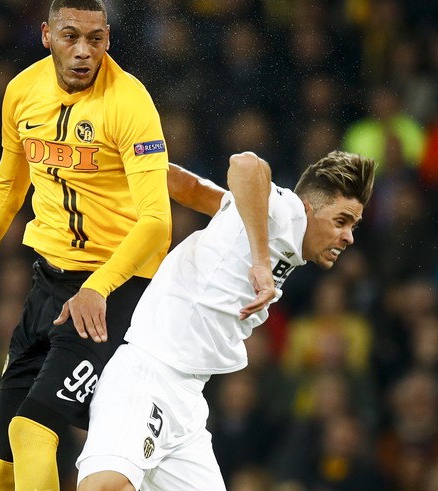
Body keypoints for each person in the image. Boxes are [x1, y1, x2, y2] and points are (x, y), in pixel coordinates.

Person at [0, 1, 223, 490]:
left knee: (32, 433)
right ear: (47, 35)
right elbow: (9, 185)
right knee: (0, 468)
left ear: (108, 39)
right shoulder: (22, 92)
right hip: (48, 283)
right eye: (71, 37)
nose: (83, 52)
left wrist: (98, 288)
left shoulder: (130, 103)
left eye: (96, 39)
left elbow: (157, 222)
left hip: (115, 290)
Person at [77, 149, 376, 490]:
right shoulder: (285, 210)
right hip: (148, 376)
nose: (350, 236)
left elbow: (191, 189)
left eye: (354, 225)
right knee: (106, 487)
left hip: (187, 400)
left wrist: (130, 167)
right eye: (341, 221)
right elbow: (246, 164)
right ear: (307, 209)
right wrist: (261, 261)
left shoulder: (268, 226)